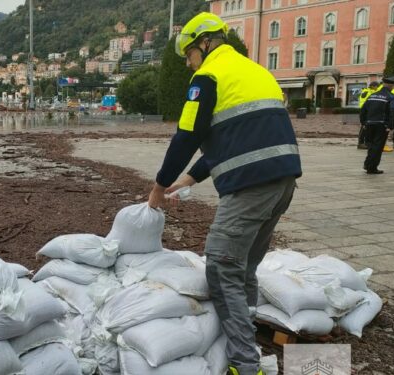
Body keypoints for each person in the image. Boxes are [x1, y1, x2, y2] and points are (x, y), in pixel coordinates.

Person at [147, 12, 302, 375]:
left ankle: (245, 366)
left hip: (250, 188)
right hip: (283, 181)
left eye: (188, 54)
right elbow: (239, 135)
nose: (187, 63)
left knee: (221, 267)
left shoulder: (208, 76)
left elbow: (188, 135)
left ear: (204, 44)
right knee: (244, 267)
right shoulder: (255, 71)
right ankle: (246, 341)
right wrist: (191, 178)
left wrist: (158, 187)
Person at [360, 76, 394, 173]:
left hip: (369, 124)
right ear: (391, 85)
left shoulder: (372, 95)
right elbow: (393, 112)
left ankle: (368, 165)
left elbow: (363, 110)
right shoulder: (391, 97)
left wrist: (363, 122)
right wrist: (391, 126)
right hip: (381, 125)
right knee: (378, 147)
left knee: (371, 145)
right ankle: (371, 168)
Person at [358, 81, 380, 149]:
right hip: (365, 111)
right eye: (377, 87)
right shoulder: (368, 92)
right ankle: (360, 143)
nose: (377, 88)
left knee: (367, 127)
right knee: (364, 126)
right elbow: (367, 103)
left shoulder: (368, 91)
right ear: (373, 86)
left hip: (367, 111)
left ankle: (366, 143)